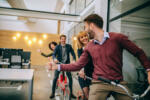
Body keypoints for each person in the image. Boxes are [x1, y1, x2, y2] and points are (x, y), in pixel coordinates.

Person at [49, 14, 150, 100]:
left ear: (92, 25)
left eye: (85, 27)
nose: (85, 30)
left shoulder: (118, 38)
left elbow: (138, 52)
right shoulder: (89, 46)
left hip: (119, 83)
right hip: (99, 83)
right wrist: (57, 67)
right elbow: (78, 65)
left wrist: (149, 71)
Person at [50, 34, 76, 99]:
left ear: (65, 39)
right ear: (60, 39)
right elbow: (53, 54)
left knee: (70, 78)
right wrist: (54, 59)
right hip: (59, 64)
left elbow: (73, 53)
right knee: (55, 77)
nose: (63, 40)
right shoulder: (57, 47)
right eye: (62, 39)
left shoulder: (69, 46)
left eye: (64, 39)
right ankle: (52, 93)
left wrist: (74, 60)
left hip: (67, 64)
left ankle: (71, 93)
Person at [77, 31, 93, 100]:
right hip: (83, 75)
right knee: (87, 95)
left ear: (88, 36)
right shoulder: (79, 49)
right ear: (79, 40)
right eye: (81, 37)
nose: (84, 38)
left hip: (94, 74)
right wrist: (81, 70)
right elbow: (81, 62)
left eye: (85, 36)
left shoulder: (93, 45)